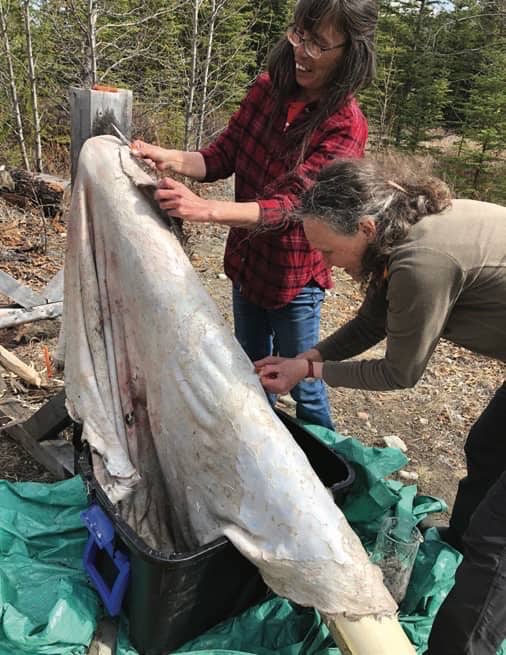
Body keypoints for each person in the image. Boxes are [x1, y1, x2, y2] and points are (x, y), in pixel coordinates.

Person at [255, 154, 506, 655]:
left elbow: (400, 371)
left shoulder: (422, 261)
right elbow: (373, 322)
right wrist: (309, 357)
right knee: (489, 449)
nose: (324, 262)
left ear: (365, 227)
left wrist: (314, 372)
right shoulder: (397, 235)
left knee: (497, 541)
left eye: (327, 249)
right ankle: (453, 549)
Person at [131, 0, 379, 429]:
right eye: (300, 34)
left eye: (319, 44)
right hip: (248, 266)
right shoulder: (268, 89)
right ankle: (260, 453)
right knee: (252, 373)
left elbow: (294, 205)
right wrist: (167, 157)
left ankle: (325, 479)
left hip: (293, 280)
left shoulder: (346, 125)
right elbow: (221, 156)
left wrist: (206, 210)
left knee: (303, 383)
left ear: (349, 53)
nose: (302, 51)